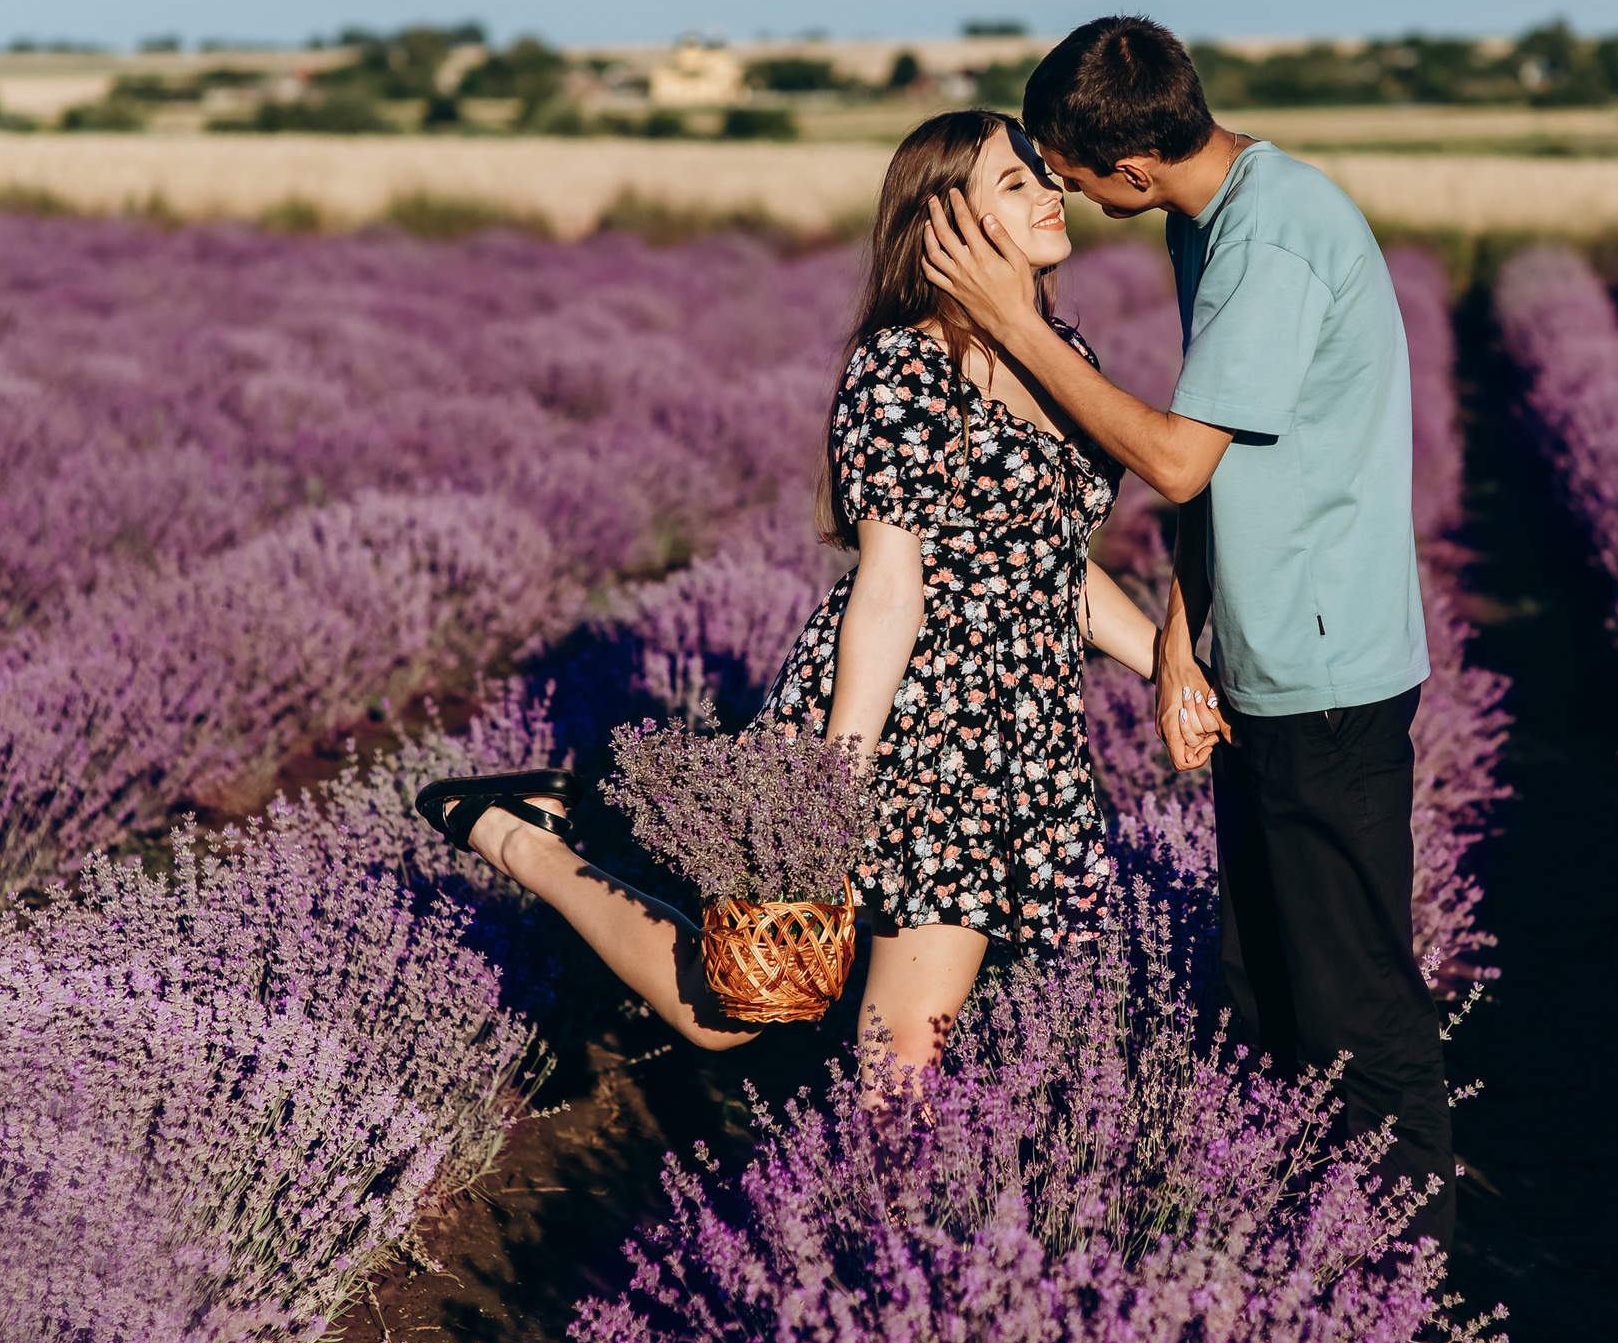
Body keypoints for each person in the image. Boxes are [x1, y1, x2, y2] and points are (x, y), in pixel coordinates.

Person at [416, 109, 1184, 1085]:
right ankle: (527, 841)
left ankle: (885, 1214)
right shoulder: (903, 365)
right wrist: (834, 780)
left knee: (905, 1043)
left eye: (1046, 177)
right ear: (947, 223)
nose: (1052, 193)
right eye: (1017, 182)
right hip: (911, 711)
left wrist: (1172, 662)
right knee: (739, 1004)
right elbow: (889, 585)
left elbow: (1053, 564)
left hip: (1016, 730)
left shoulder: (1060, 351)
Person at [917, 15, 1456, 1252]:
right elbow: (1227, 463)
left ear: (1134, 166)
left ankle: (1412, 1276)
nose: (1053, 184)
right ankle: (1292, 1248)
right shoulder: (1206, 213)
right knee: (1263, 980)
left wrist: (1014, 322)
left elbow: (1171, 454)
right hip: (1262, 647)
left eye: (1061, 165)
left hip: (1322, 661)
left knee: (1351, 1000)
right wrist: (1176, 633)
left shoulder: (1268, 239)